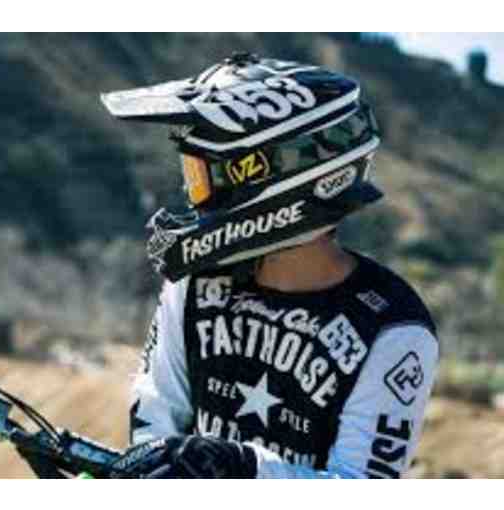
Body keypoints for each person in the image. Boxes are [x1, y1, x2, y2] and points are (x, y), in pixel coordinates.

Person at [100, 52, 439, 479]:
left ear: (272, 178)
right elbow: (155, 425)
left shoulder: (392, 326)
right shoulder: (195, 282)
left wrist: (242, 468)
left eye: (204, 179)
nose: (192, 198)